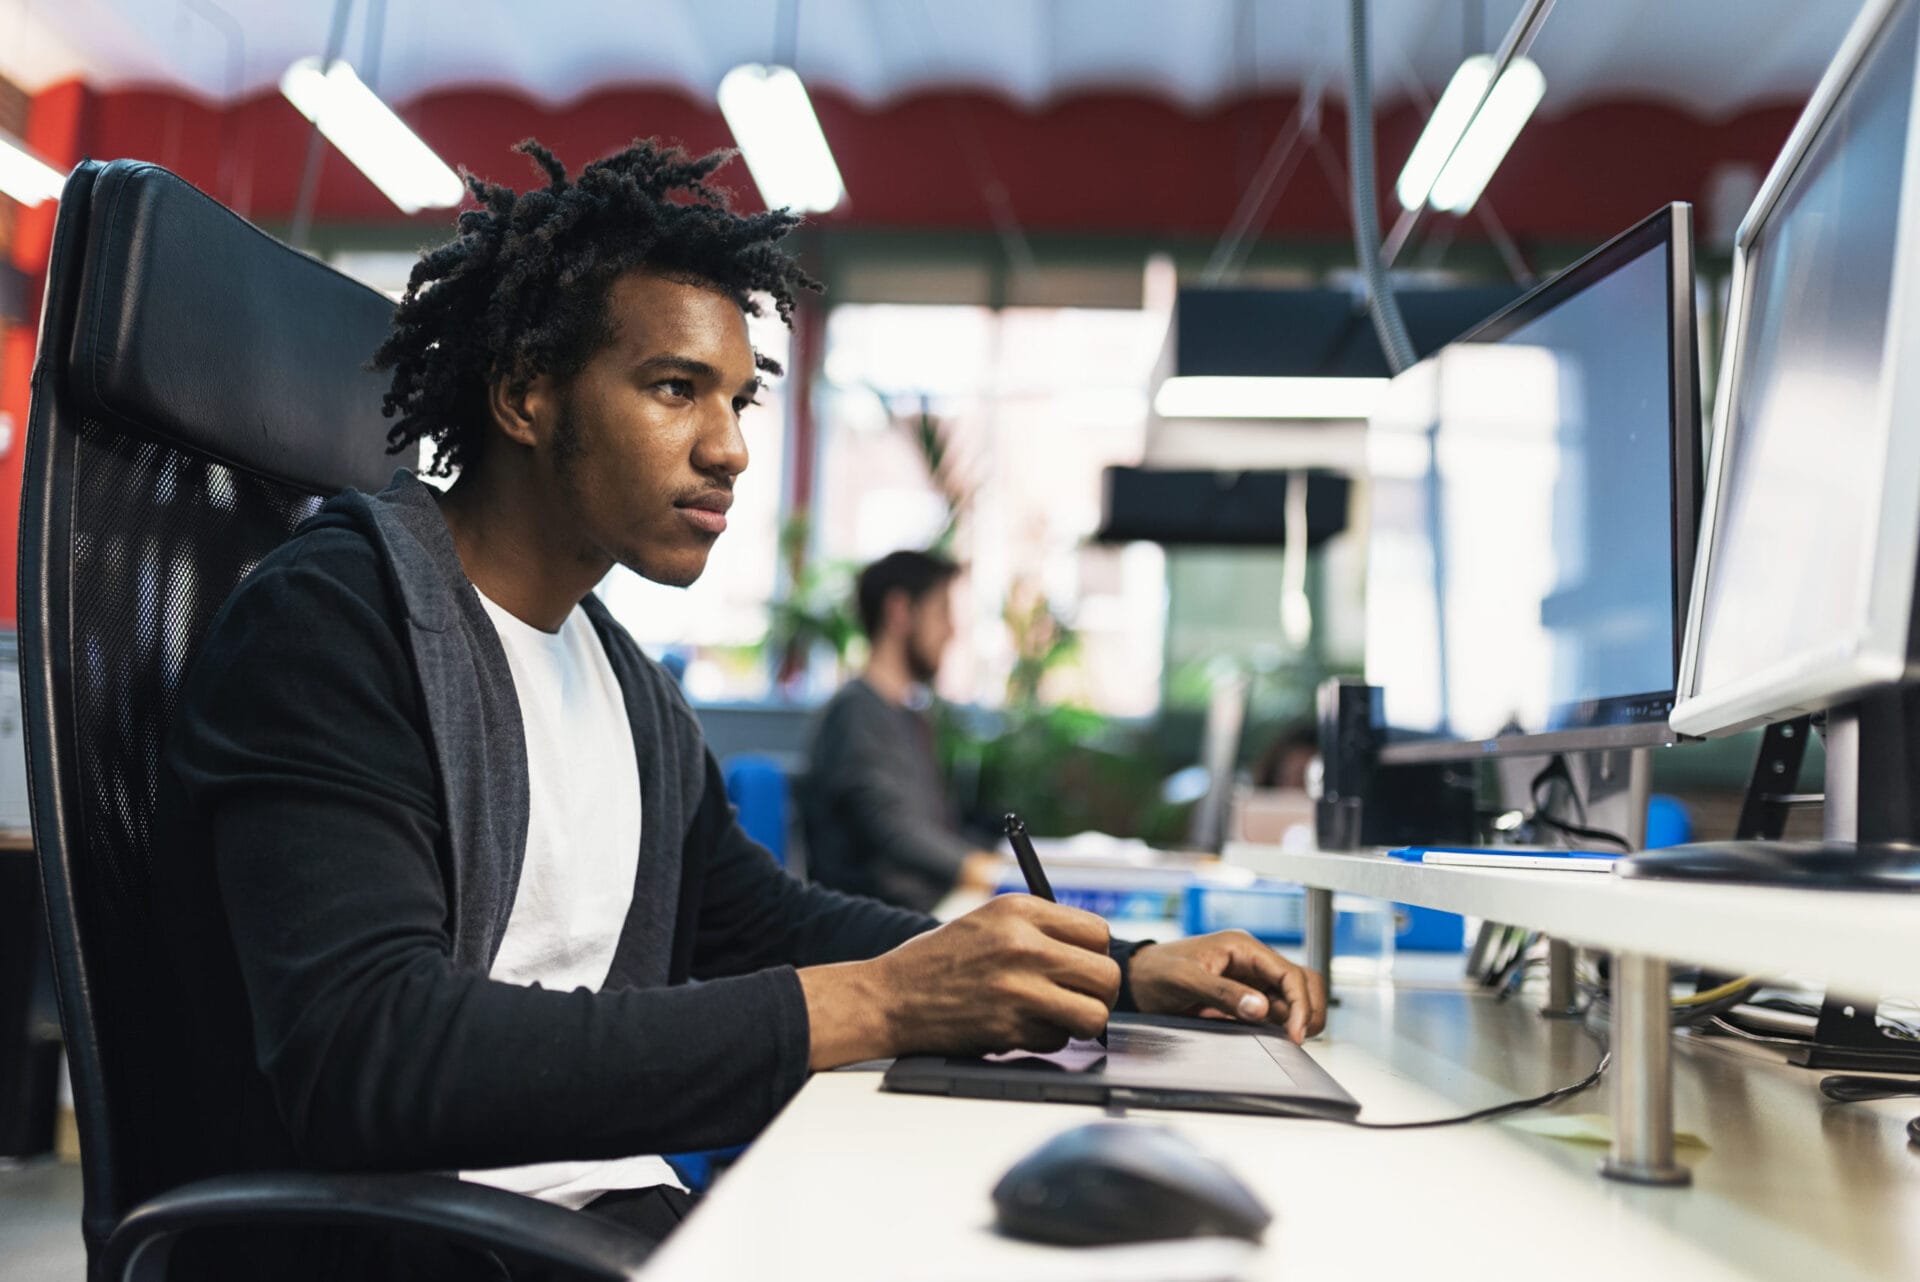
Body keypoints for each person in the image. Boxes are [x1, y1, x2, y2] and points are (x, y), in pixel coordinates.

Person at [153, 138, 1326, 1279]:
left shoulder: (618, 680)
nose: (730, 451)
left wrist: (1119, 969)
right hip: (429, 1241)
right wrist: (874, 1003)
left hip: (603, 1218)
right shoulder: (336, 621)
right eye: (674, 390)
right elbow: (372, 1054)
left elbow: (763, 924)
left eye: (739, 400)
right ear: (523, 393)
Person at [803, 550, 1002, 912]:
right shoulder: (855, 715)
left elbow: (939, 828)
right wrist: (989, 872)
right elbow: (894, 834)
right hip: (882, 928)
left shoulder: (908, 717)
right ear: (900, 612)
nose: (952, 629)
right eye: (942, 610)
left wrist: (1003, 859)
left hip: (927, 909)